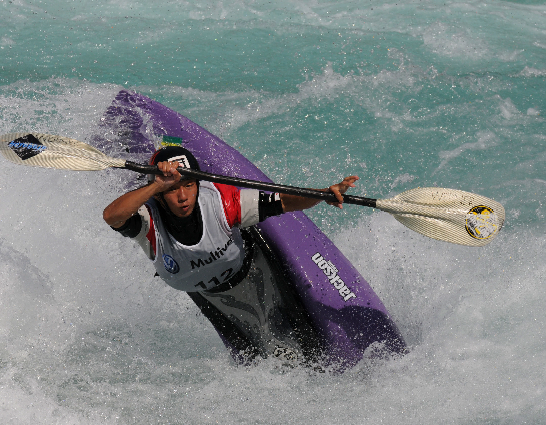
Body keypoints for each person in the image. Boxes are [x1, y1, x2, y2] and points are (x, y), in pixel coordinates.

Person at [103, 146, 359, 363]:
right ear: (158, 194)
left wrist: (322, 195)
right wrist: (157, 184)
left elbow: (283, 202)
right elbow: (112, 216)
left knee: (303, 343)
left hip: (255, 274)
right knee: (253, 360)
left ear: (198, 184)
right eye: (172, 189)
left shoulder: (223, 204)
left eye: (189, 185)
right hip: (210, 298)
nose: (183, 196)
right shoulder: (149, 222)